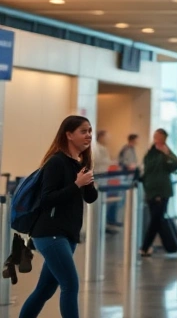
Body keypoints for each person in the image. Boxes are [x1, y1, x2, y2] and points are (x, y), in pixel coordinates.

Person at [19, 116, 98, 318]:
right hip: (50, 233)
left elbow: (90, 198)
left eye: (90, 130)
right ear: (69, 135)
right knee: (70, 285)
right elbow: (47, 199)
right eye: (83, 131)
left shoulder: (80, 162)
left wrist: (87, 182)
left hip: (68, 234)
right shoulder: (56, 162)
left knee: (44, 290)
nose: (88, 135)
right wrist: (77, 185)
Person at [139, 128, 177, 257]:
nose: (157, 139)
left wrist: (167, 153)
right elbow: (146, 170)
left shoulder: (166, 152)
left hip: (162, 191)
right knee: (157, 219)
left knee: (156, 220)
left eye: (159, 137)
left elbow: (174, 165)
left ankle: (146, 247)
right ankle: (173, 245)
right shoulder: (150, 152)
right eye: (155, 136)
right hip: (151, 190)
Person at [92, 130, 118, 231]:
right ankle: (97, 226)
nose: (108, 139)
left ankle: (103, 224)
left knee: (104, 202)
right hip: (99, 177)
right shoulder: (96, 148)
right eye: (106, 137)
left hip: (103, 177)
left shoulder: (103, 148)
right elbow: (98, 161)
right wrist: (111, 162)